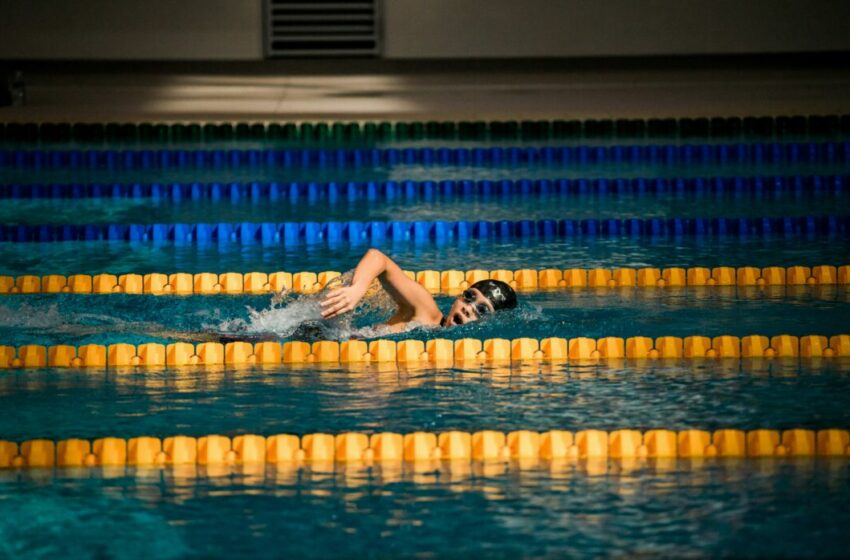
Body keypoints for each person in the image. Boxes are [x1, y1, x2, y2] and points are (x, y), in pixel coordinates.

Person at [320, 248, 517, 331]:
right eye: (469, 297)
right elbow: (378, 258)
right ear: (458, 297)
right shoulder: (426, 312)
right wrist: (357, 288)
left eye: (482, 309)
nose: (469, 308)